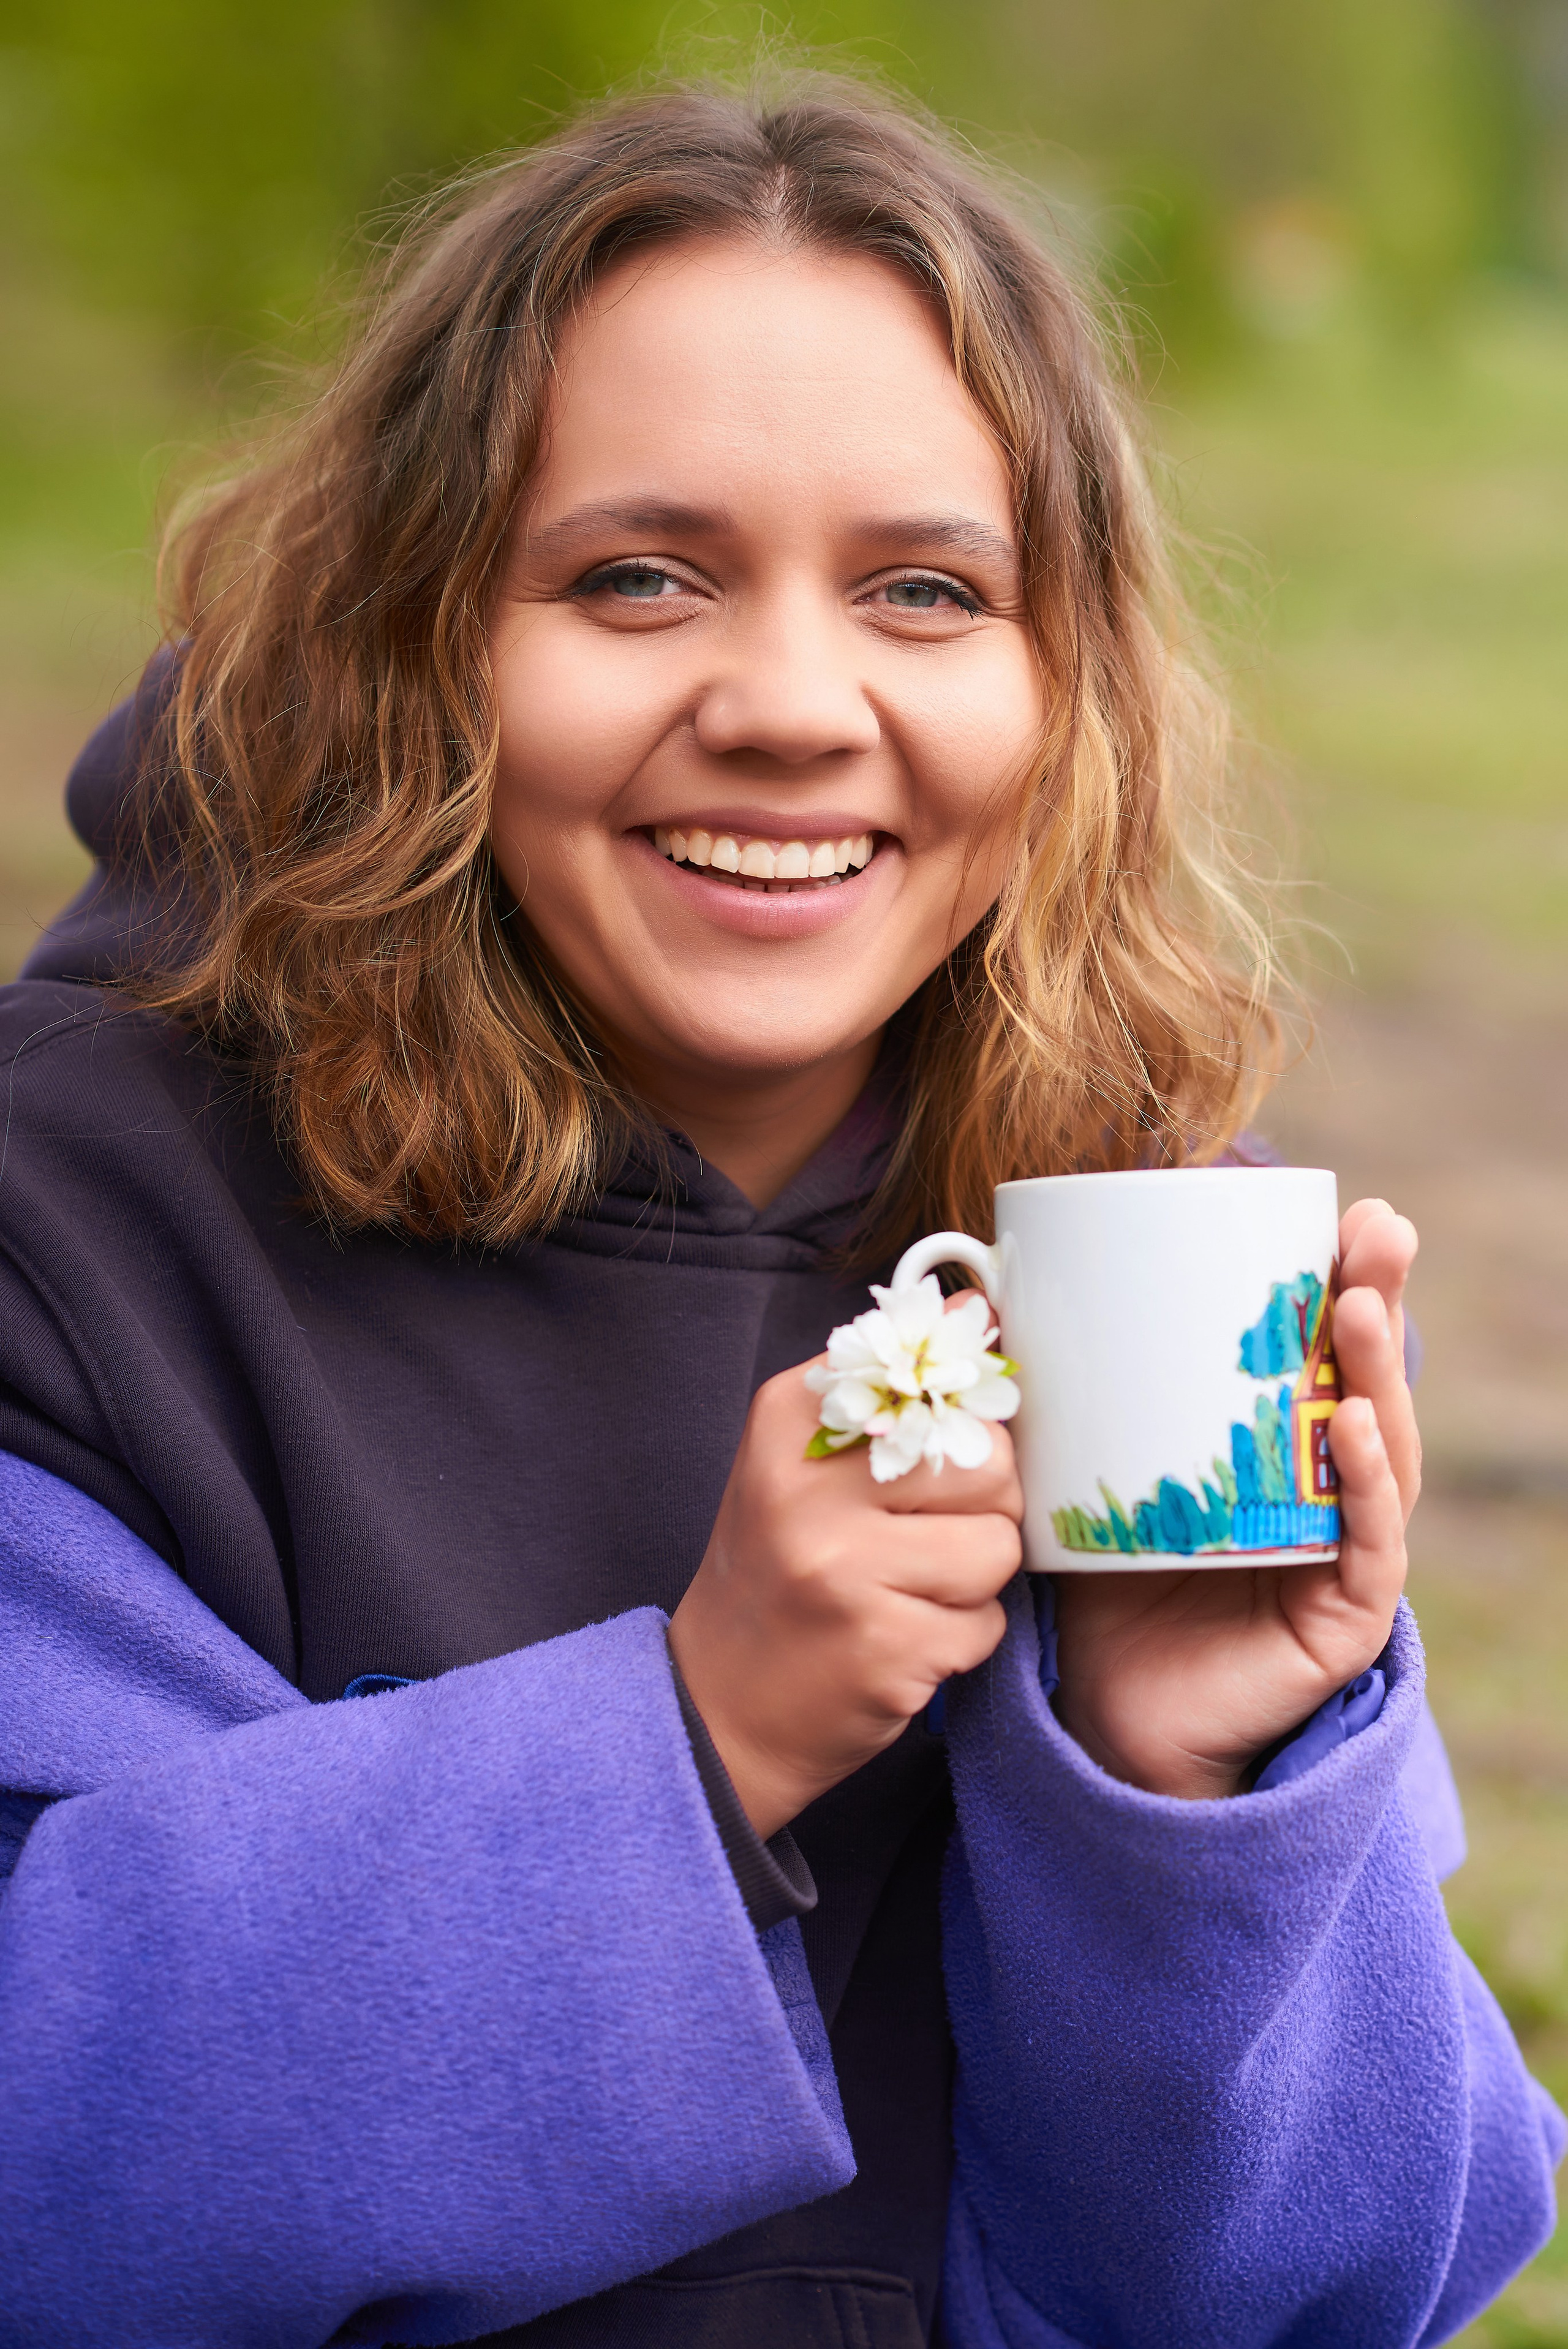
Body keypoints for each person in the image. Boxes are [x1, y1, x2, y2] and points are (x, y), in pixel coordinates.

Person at [0, 77, 1559, 2349]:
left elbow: (1330, 2291)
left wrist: (1180, 1789)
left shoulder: (1138, 1249)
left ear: (1069, 693)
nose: (792, 706)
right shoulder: (88, 1244)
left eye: (927, 592)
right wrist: (691, 1739)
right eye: (638, 576)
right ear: (414, 631)